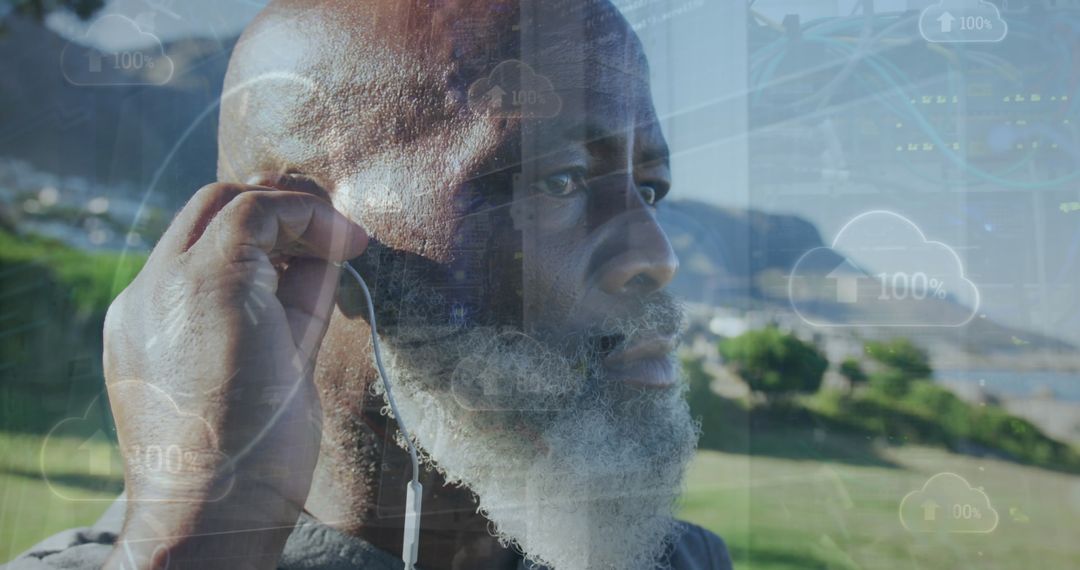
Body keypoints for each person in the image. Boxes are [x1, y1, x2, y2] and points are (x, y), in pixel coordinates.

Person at [7, 0, 732, 568]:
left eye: (651, 188)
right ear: (297, 231)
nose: (655, 252)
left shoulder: (684, 560)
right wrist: (204, 533)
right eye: (561, 178)